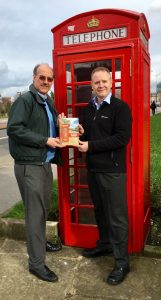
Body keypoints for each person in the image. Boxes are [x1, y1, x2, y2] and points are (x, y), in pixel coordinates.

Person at [7, 63, 65, 283]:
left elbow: (51, 127)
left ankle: (39, 245)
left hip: (43, 163)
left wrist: (68, 128)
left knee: (42, 210)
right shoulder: (25, 100)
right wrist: (44, 141)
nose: (46, 82)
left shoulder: (47, 100)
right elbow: (14, 128)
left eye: (50, 79)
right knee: (35, 215)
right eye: (42, 77)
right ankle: (36, 265)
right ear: (34, 78)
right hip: (29, 165)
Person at [78, 67, 132, 285]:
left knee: (117, 217)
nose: (100, 85)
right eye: (96, 82)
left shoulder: (120, 108)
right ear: (91, 85)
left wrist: (90, 145)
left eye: (104, 81)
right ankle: (104, 245)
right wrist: (80, 132)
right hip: (93, 170)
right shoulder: (89, 108)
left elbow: (121, 138)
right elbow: (90, 134)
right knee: (100, 211)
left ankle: (122, 263)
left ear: (111, 83)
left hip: (112, 171)